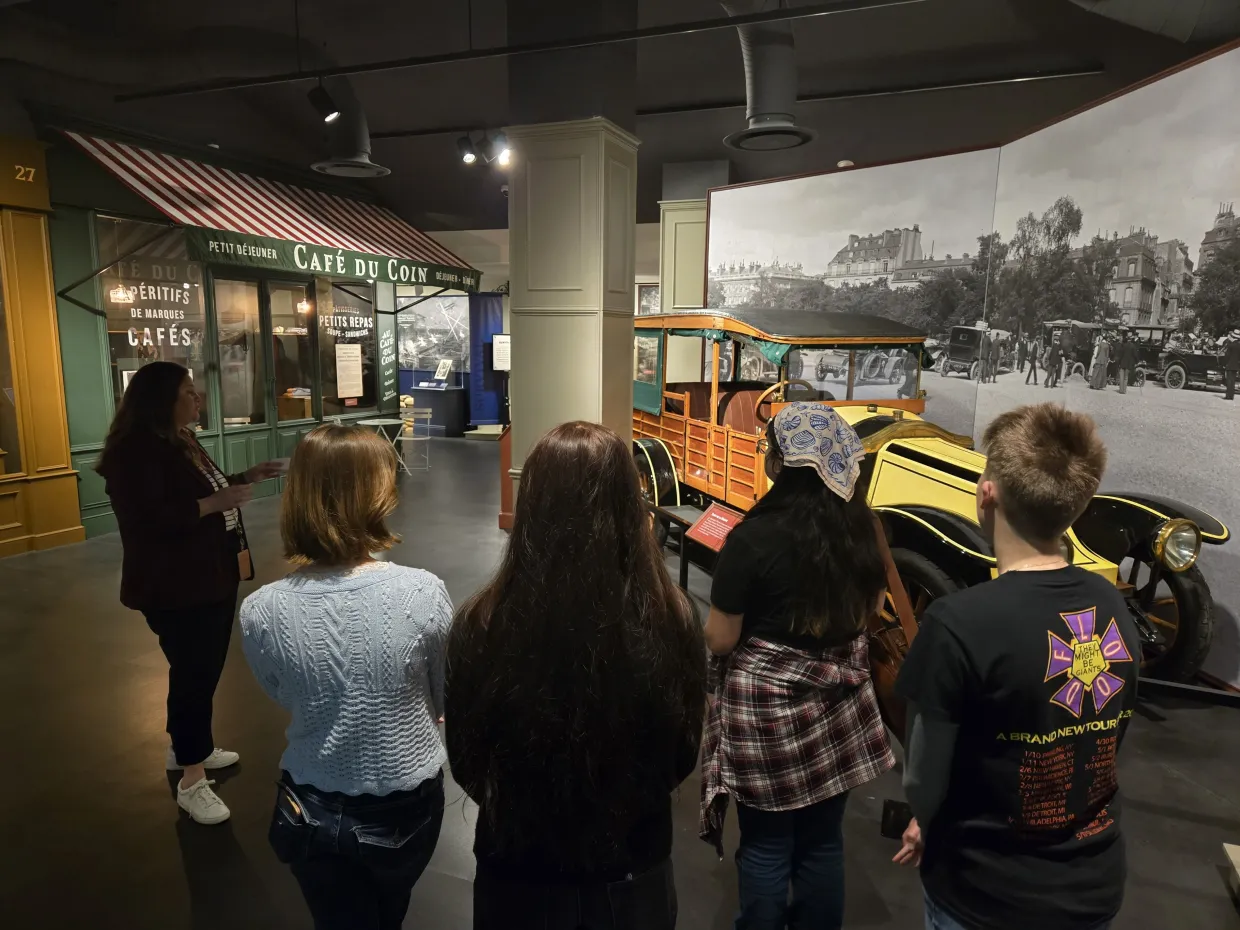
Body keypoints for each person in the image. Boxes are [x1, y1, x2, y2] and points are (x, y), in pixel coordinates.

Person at [446, 421, 706, 930]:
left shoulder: (482, 622)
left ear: (532, 504)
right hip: (632, 868)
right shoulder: (672, 617)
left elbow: (466, 759)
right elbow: (682, 751)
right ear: (631, 504)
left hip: (514, 869)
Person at [893, 403, 1140, 930]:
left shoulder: (957, 622)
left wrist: (927, 820)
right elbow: (1104, 737)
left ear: (987, 493)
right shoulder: (1113, 606)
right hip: (1093, 883)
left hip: (986, 892)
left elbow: (922, 777)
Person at [240, 424, 451, 930]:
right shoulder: (420, 594)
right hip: (403, 802)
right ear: (377, 495)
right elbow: (442, 693)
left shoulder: (261, 609)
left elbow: (281, 691)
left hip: (305, 803)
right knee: (388, 911)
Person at [701, 402, 894, 930]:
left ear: (783, 464)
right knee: (822, 841)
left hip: (766, 717)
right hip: (841, 710)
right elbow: (870, 614)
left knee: (765, 844)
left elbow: (720, 639)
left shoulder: (753, 538)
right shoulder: (862, 533)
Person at [96, 361, 282, 824]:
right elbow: (148, 520)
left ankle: (188, 746)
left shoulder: (182, 441)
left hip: (209, 574)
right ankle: (192, 777)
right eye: (188, 392)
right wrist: (214, 503)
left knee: (202, 668)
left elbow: (203, 493)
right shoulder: (133, 453)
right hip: (174, 583)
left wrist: (244, 478)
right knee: (193, 673)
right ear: (161, 399)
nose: (197, 399)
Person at [1223, 329, 1240, 401]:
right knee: (1233, 381)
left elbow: (1227, 356)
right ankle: (1231, 396)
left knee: (1229, 381)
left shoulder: (1230, 345)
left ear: (1233, 337)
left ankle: (1228, 396)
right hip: (1236, 365)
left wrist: (1224, 364)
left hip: (1229, 365)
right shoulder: (1239, 345)